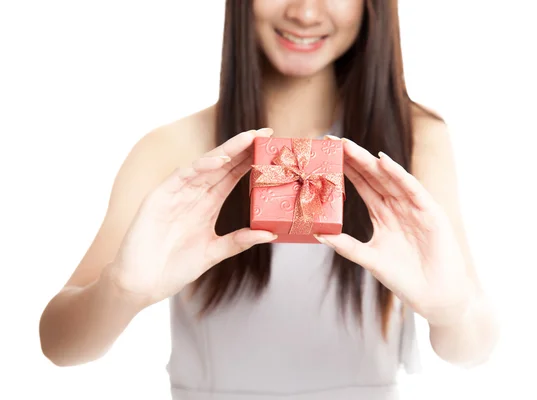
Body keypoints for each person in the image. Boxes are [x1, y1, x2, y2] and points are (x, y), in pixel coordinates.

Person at [39, 1, 500, 399]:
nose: (303, 12)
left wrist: (450, 310)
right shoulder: (173, 149)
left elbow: (475, 346)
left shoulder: (416, 139)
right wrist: (122, 291)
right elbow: (58, 342)